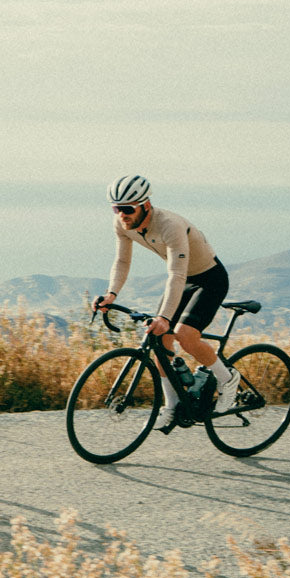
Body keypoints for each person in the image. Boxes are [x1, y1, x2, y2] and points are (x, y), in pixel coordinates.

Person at [93, 174, 237, 426]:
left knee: (185, 335)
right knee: (159, 342)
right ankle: (172, 405)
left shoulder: (170, 225)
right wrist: (111, 294)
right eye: (116, 208)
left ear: (145, 205)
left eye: (127, 209)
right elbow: (122, 261)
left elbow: (176, 274)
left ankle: (227, 379)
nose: (121, 214)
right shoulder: (122, 223)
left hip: (209, 279)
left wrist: (164, 317)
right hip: (182, 280)